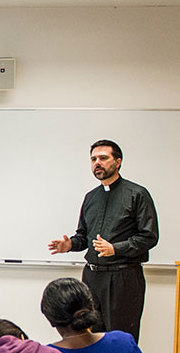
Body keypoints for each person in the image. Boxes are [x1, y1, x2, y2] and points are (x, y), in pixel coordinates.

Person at [46, 140, 159, 341]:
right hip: (91, 278)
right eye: (93, 159)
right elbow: (83, 236)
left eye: (103, 158)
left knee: (120, 338)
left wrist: (115, 249)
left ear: (118, 162)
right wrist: (70, 245)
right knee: (88, 336)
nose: (97, 163)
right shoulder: (91, 197)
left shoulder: (137, 194)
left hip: (123, 277)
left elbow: (149, 236)